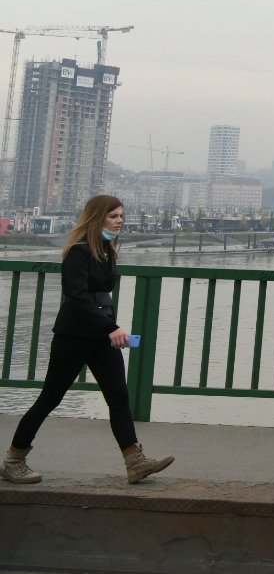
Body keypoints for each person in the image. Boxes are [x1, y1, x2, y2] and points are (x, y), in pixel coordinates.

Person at [4, 195, 174, 486]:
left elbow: (100, 296)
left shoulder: (107, 250)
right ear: (97, 218)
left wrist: (108, 327)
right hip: (74, 335)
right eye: (114, 216)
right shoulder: (78, 252)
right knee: (50, 398)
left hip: (100, 334)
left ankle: (135, 461)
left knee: (118, 397)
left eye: (121, 216)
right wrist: (110, 326)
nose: (120, 221)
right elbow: (78, 298)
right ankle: (13, 460)